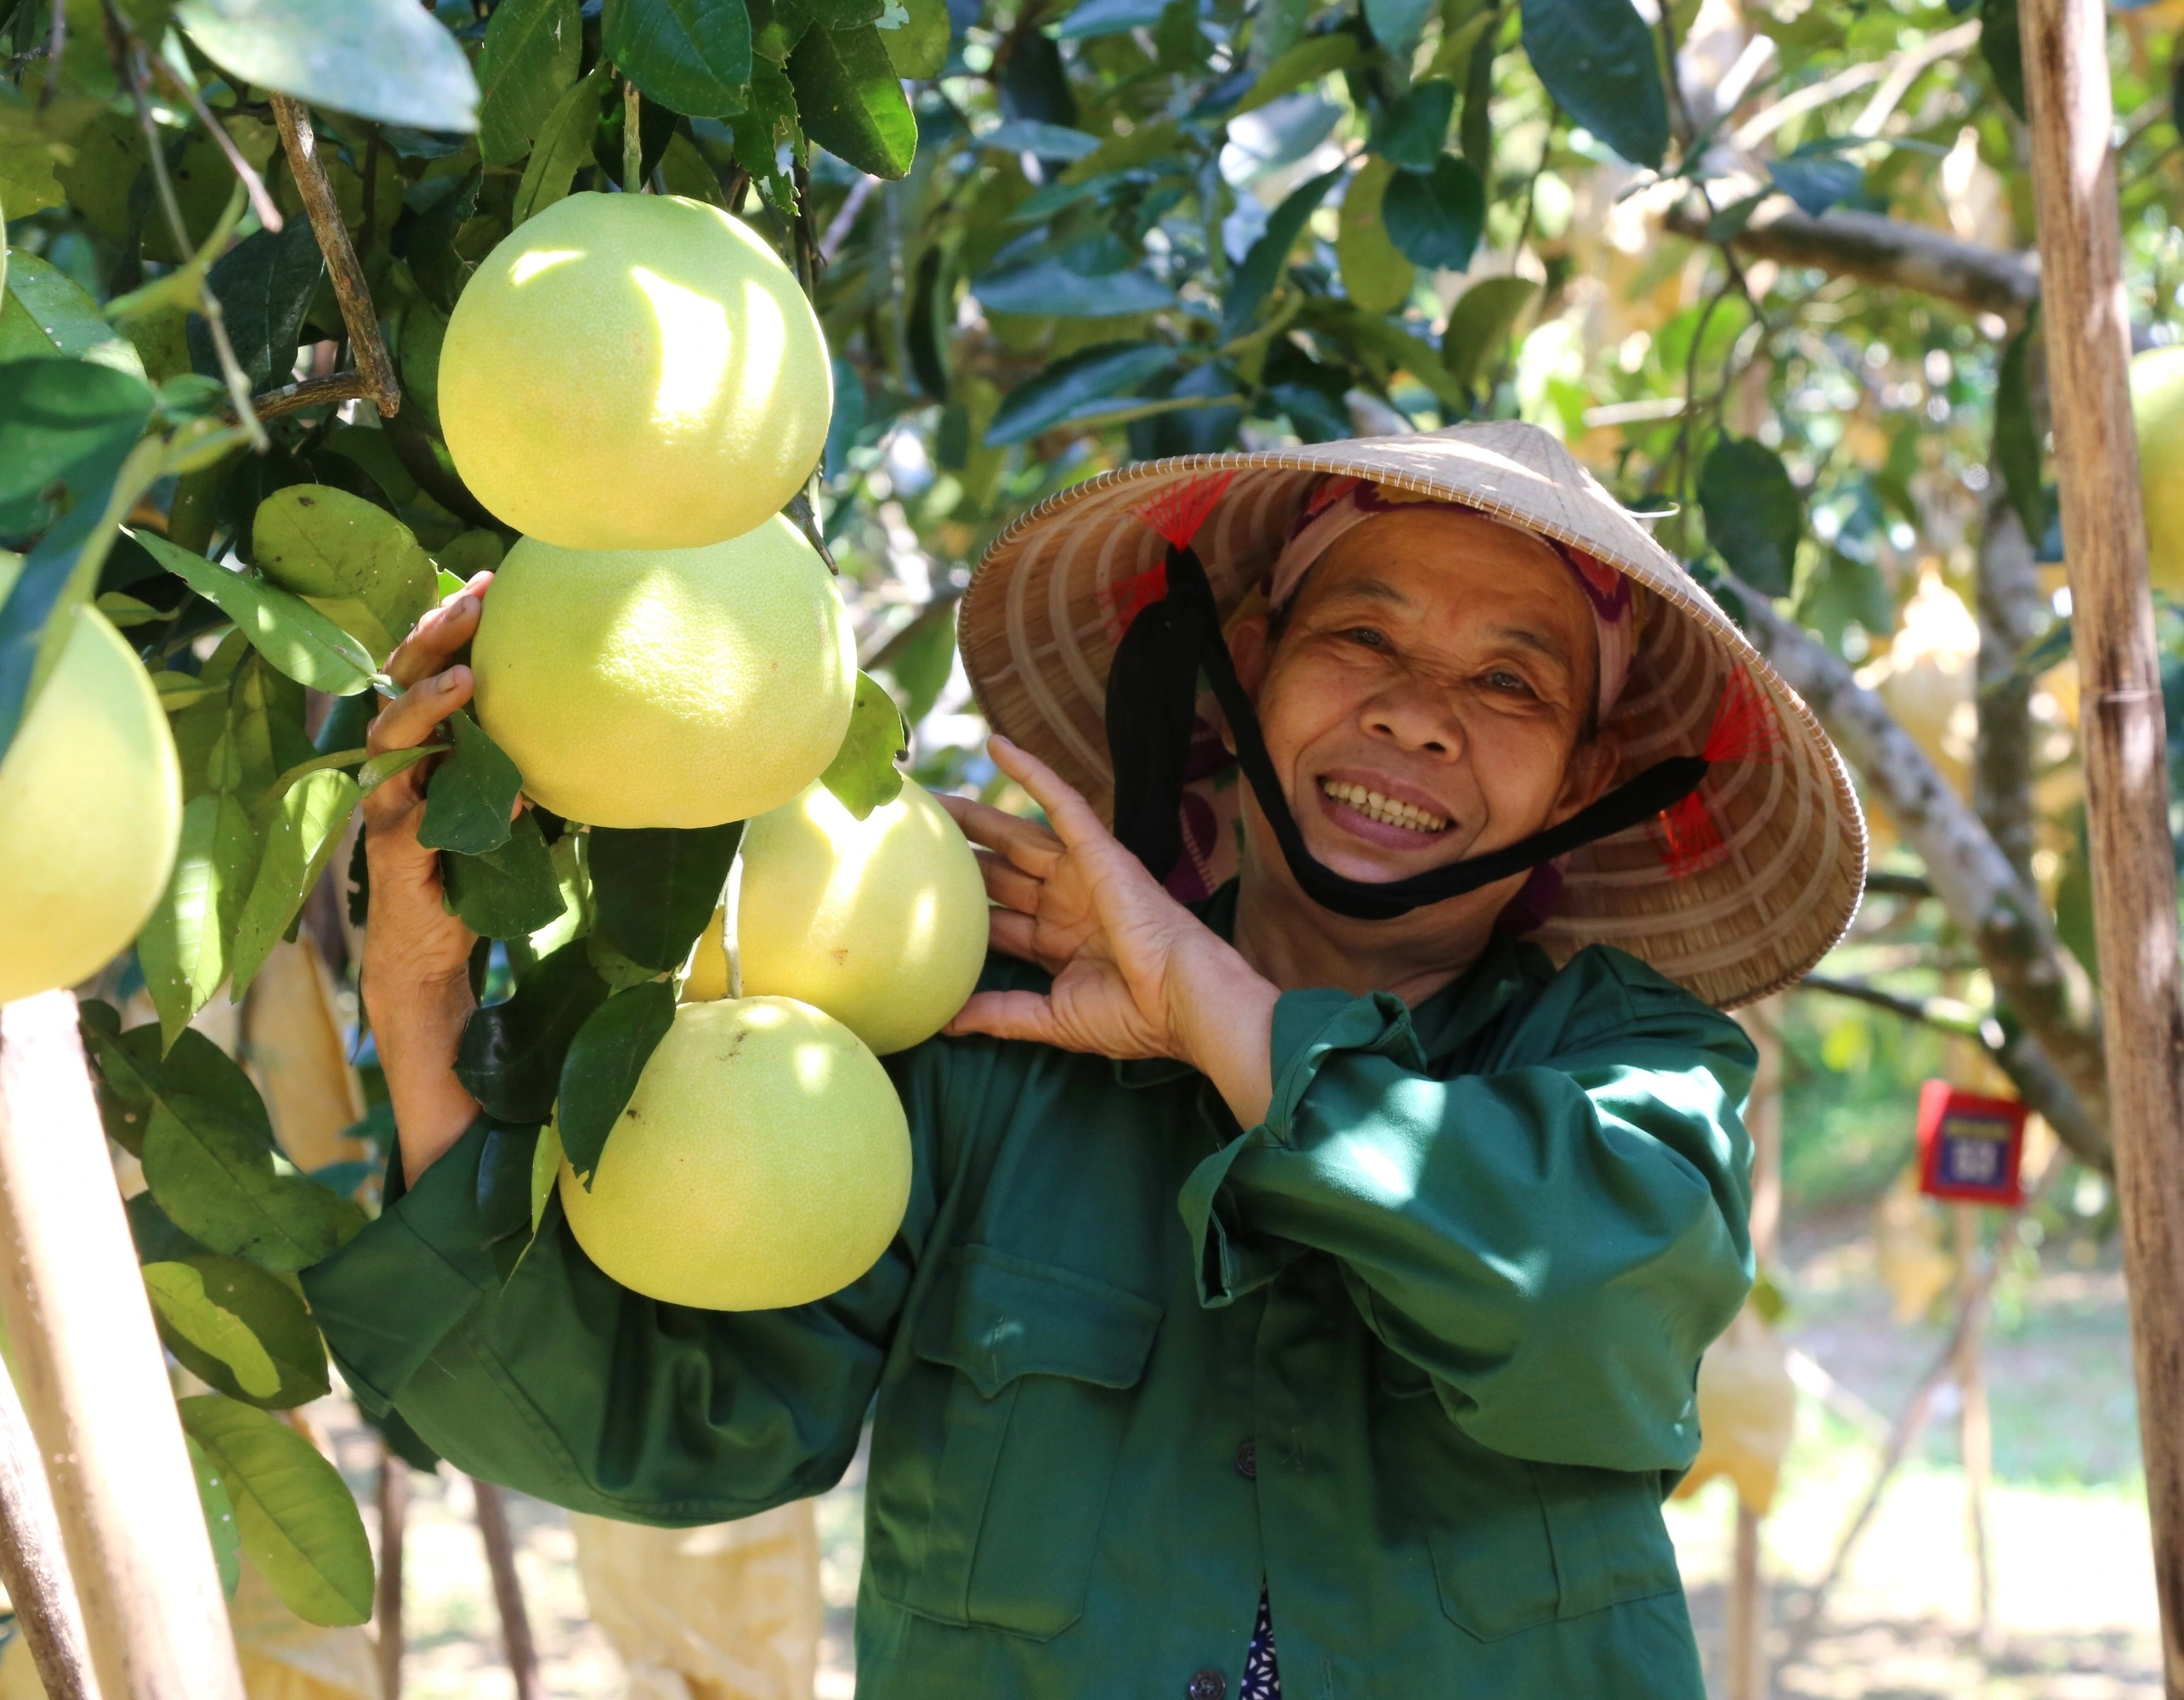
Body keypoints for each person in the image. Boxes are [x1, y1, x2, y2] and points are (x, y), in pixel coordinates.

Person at [298, 420, 1866, 1698]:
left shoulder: (1623, 1065)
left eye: (1509, 681)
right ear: (1245, 663)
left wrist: (1209, 1005)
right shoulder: (986, 1042)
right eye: (1361, 636)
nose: (1419, 716)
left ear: (1589, 774)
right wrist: (424, 987)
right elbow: (655, 1424)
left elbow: (1579, 1299)